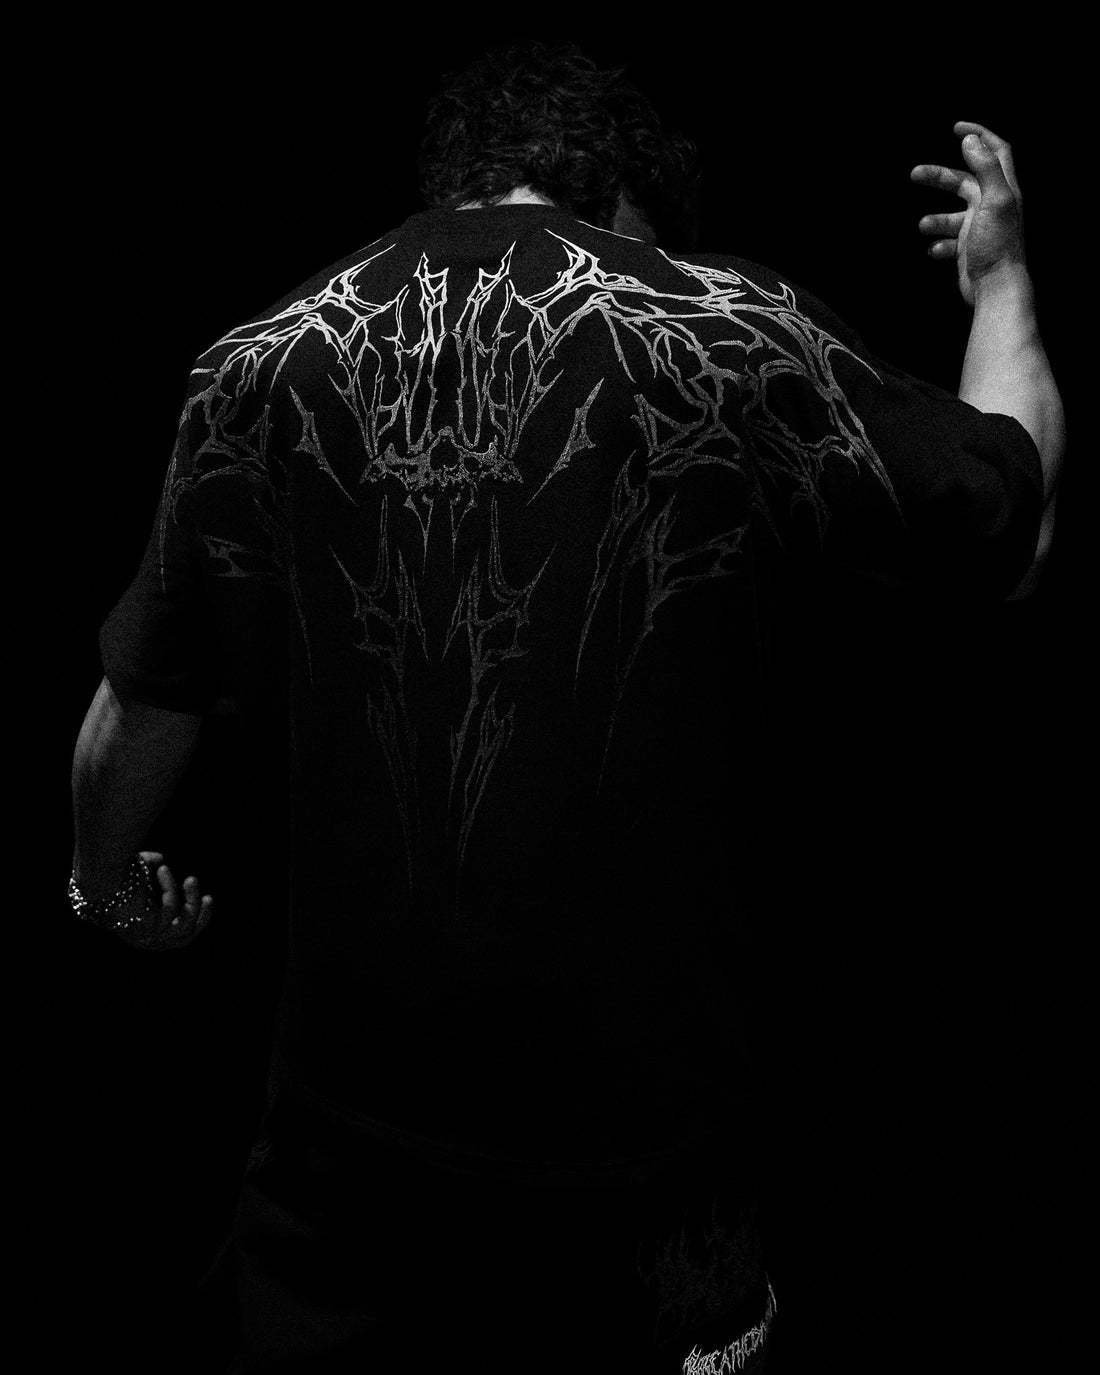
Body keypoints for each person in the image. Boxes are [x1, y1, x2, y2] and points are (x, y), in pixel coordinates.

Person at [69, 39, 1062, 1374]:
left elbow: (139, 706)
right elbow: (1010, 520)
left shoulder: (256, 363)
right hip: (645, 1178)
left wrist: (105, 884)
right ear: (625, 200)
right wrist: (1001, 284)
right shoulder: (721, 323)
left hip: (348, 1179)